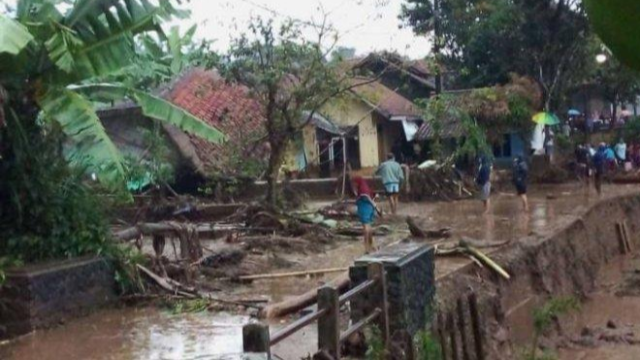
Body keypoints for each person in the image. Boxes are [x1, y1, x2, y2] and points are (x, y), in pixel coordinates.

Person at [352, 176, 379, 254]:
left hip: (365, 209)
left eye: (354, 183)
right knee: (369, 226)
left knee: (366, 227)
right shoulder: (364, 187)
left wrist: (374, 204)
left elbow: (366, 196)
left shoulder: (362, 189)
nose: (354, 185)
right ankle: (371, 245)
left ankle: (366, 246)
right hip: (369, 209)